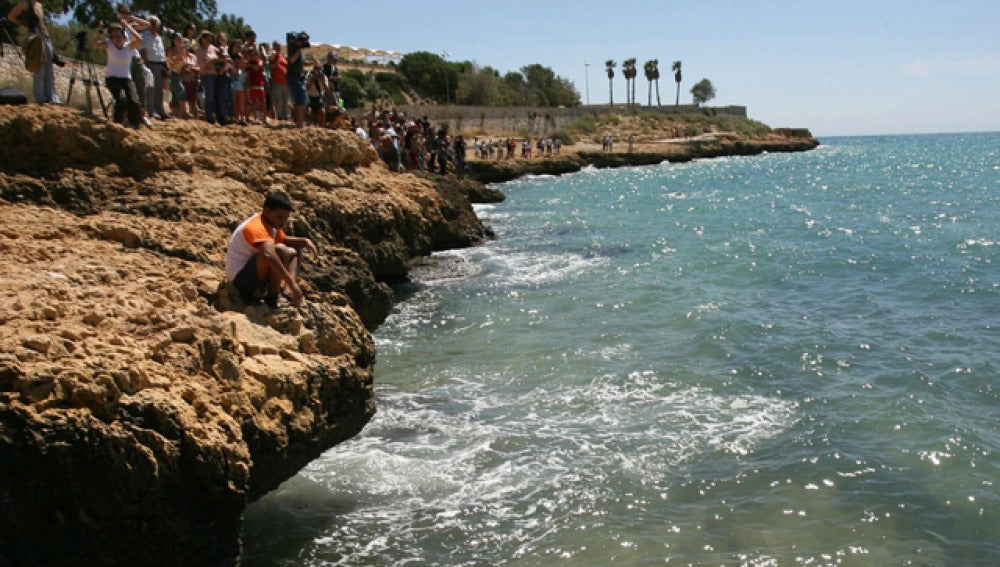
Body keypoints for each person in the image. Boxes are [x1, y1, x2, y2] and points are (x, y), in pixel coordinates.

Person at [225, 191, 318, 307]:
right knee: (279, 251)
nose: (283, 222)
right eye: (280, 217)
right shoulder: (256, 226)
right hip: (240, 278)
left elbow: (283, 239)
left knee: (294, 250)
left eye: (285, 218)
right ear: (267, 211)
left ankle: (287, 292)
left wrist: (304, 241)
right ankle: (272, 298)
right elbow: (268, 255)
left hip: (254, 271)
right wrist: (292, 282)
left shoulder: (271, 223)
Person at [91, 21, 143, 128]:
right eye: (113, 36)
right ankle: (117, 124)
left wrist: (128, 26)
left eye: (118, 35)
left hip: (126, 78)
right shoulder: (109, 44)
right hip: (112, 78)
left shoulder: (129, 46)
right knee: (121, 99)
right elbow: (94, 43)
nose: (116, 38)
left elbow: (139, 40)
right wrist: (100, 31)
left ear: (123, 35)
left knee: (134, 101)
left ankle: (134, 124)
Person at [7, 0, 60, 104]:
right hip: (35, 38)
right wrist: (23, 24)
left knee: (49, 68)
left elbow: (41, 23)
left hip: (45, 37)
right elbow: (11, 16)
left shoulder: (39, 5)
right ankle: (40, 98)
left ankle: (52, 98)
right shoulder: (24, 3)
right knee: (39, 67)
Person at [139, 15, 168, 119]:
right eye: (153, 24)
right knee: (151, 89)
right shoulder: (145, 36)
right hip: (150, 63)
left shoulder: (159, 37)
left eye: (156, 25)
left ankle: (161, 111)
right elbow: (143, 51)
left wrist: (165, 65)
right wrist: (145, 65)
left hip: (160, 64)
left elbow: (162, 52)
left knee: (160, 90)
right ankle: (151, 111)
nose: (155, 26)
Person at [269, 41, 289, 121]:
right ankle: (280, 117)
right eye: (276, 46)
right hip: (276, 81)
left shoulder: (283, 56)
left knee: (286, 101)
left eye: (279, 46)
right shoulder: (272, 56)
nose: (278, 47)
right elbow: (269, 65)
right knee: (279, 100)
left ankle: (286, 117)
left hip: (285, 81)